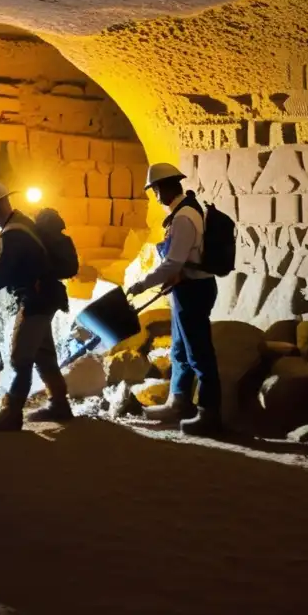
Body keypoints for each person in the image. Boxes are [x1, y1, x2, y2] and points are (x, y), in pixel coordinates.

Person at [0, 180, 72, 431]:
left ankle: (12, 413)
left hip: (37, 300)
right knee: (42, 354)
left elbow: (1, 273)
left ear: (1, 205)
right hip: (45, 297)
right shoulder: (22, 222)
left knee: (20, 356)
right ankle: (59, 403)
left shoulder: (13, 233)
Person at [126, 162, 222, 436]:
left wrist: (142, 284)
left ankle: (209, 414)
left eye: (154, 189)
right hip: (186, 289)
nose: (154, 196)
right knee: (180, 351)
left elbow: (173, 263)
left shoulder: (183, 218)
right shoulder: (186, 211)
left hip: (194, 292)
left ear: (161, 188)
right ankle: (178, 402)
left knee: (199, 354)